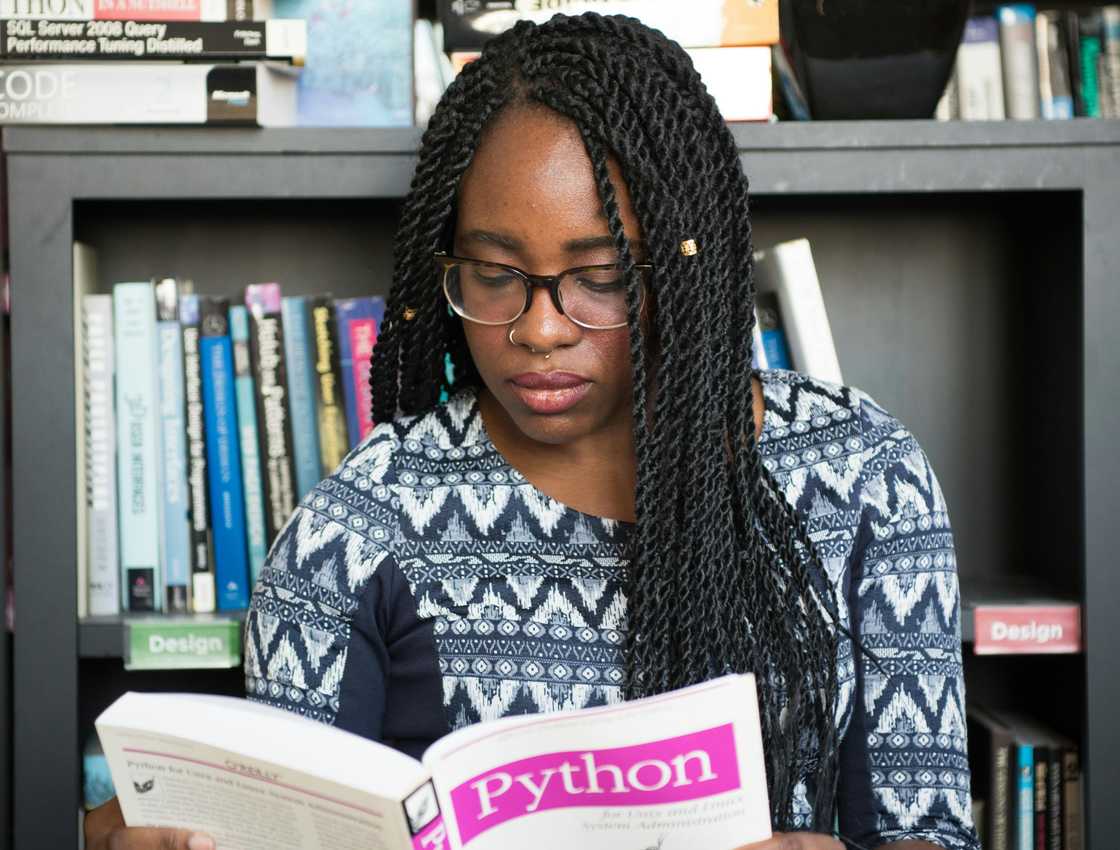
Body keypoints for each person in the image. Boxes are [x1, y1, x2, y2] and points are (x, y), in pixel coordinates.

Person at [85, 13, 979, 850]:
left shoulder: (862, 476)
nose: (538, 329)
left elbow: (930, 831)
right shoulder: (363, 525)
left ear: (681, 263)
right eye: (493, 272)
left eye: (599, 275)